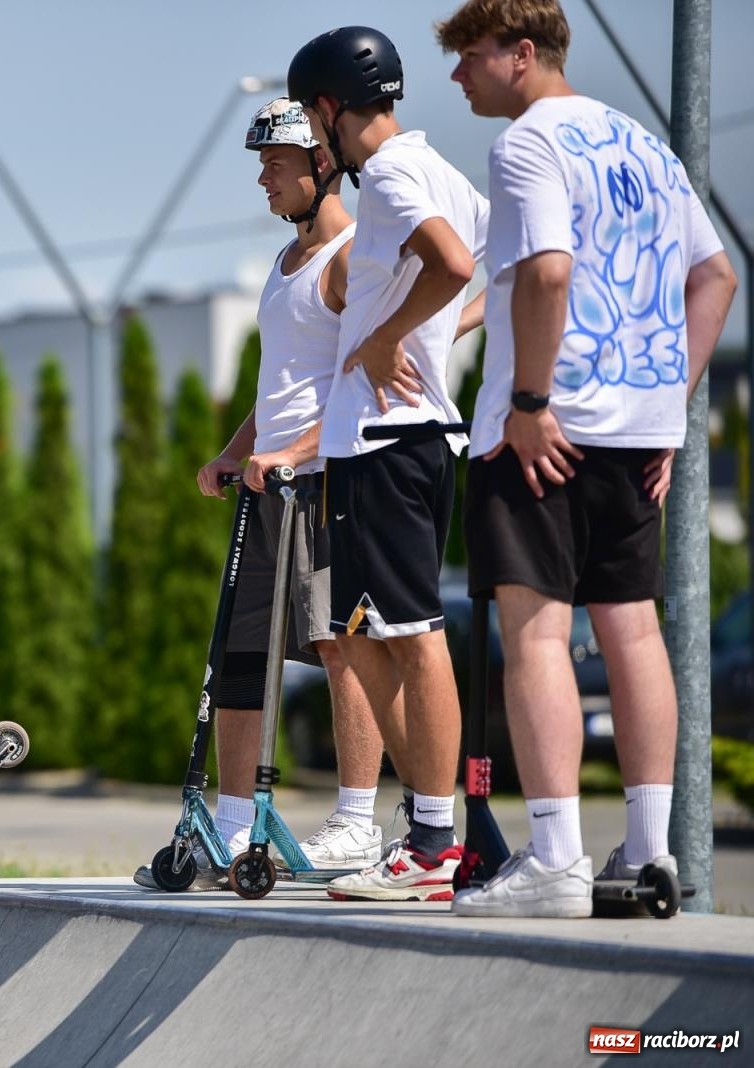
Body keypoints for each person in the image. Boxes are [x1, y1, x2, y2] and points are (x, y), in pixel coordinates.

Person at [436, 0, 737, 917]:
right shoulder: (646, 147)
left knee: (535, 635)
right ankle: (651, 856)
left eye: (470, 58)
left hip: (548, 428)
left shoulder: (530, 143)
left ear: (521, 55)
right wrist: (668, 411)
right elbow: (717, 275)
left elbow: (549, 271)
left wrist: (528, 401)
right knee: (634, 629)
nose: (459, 77)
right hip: (635, 434)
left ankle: (558, 860)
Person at [133, 98, 387, 892]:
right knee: (240, 658)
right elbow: (281, 387)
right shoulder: (285, 268)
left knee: (343, 650)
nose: (262, 179)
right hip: (269, 488)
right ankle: (234, 826)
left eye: (273, 164)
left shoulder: (351, 257)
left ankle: (356, 820)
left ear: (319, 164)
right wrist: (236, 451)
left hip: (324, 486)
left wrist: (294, 454)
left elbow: (363, 389)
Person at [288, 25, 490, 901]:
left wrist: (383, 341)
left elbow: (449, 263)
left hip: (387, 442)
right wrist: (433, 335)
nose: (313, 135)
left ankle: (438, 847)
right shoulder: (437, 171)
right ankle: (430, 832)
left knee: (410, 637)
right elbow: (483, 275)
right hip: (383, 440)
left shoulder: (399, 174)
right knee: (364, 637)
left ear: (331, 108)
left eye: (308, 116)